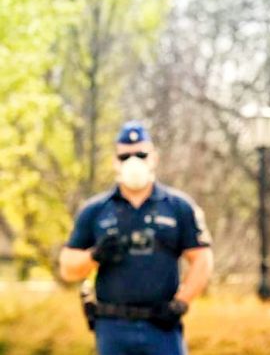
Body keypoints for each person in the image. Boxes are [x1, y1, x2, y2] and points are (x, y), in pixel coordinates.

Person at [59, 121, 214, 355]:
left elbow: (202, 259)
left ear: (154, 158)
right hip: (112, 326)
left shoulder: (178, 207)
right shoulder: (96, 210)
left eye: (141, 155)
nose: (133, 162)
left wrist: (181, 303)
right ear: (114, 162)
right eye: (125, 156)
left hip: (162, 325)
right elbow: (67, 268)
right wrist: (95, 256)